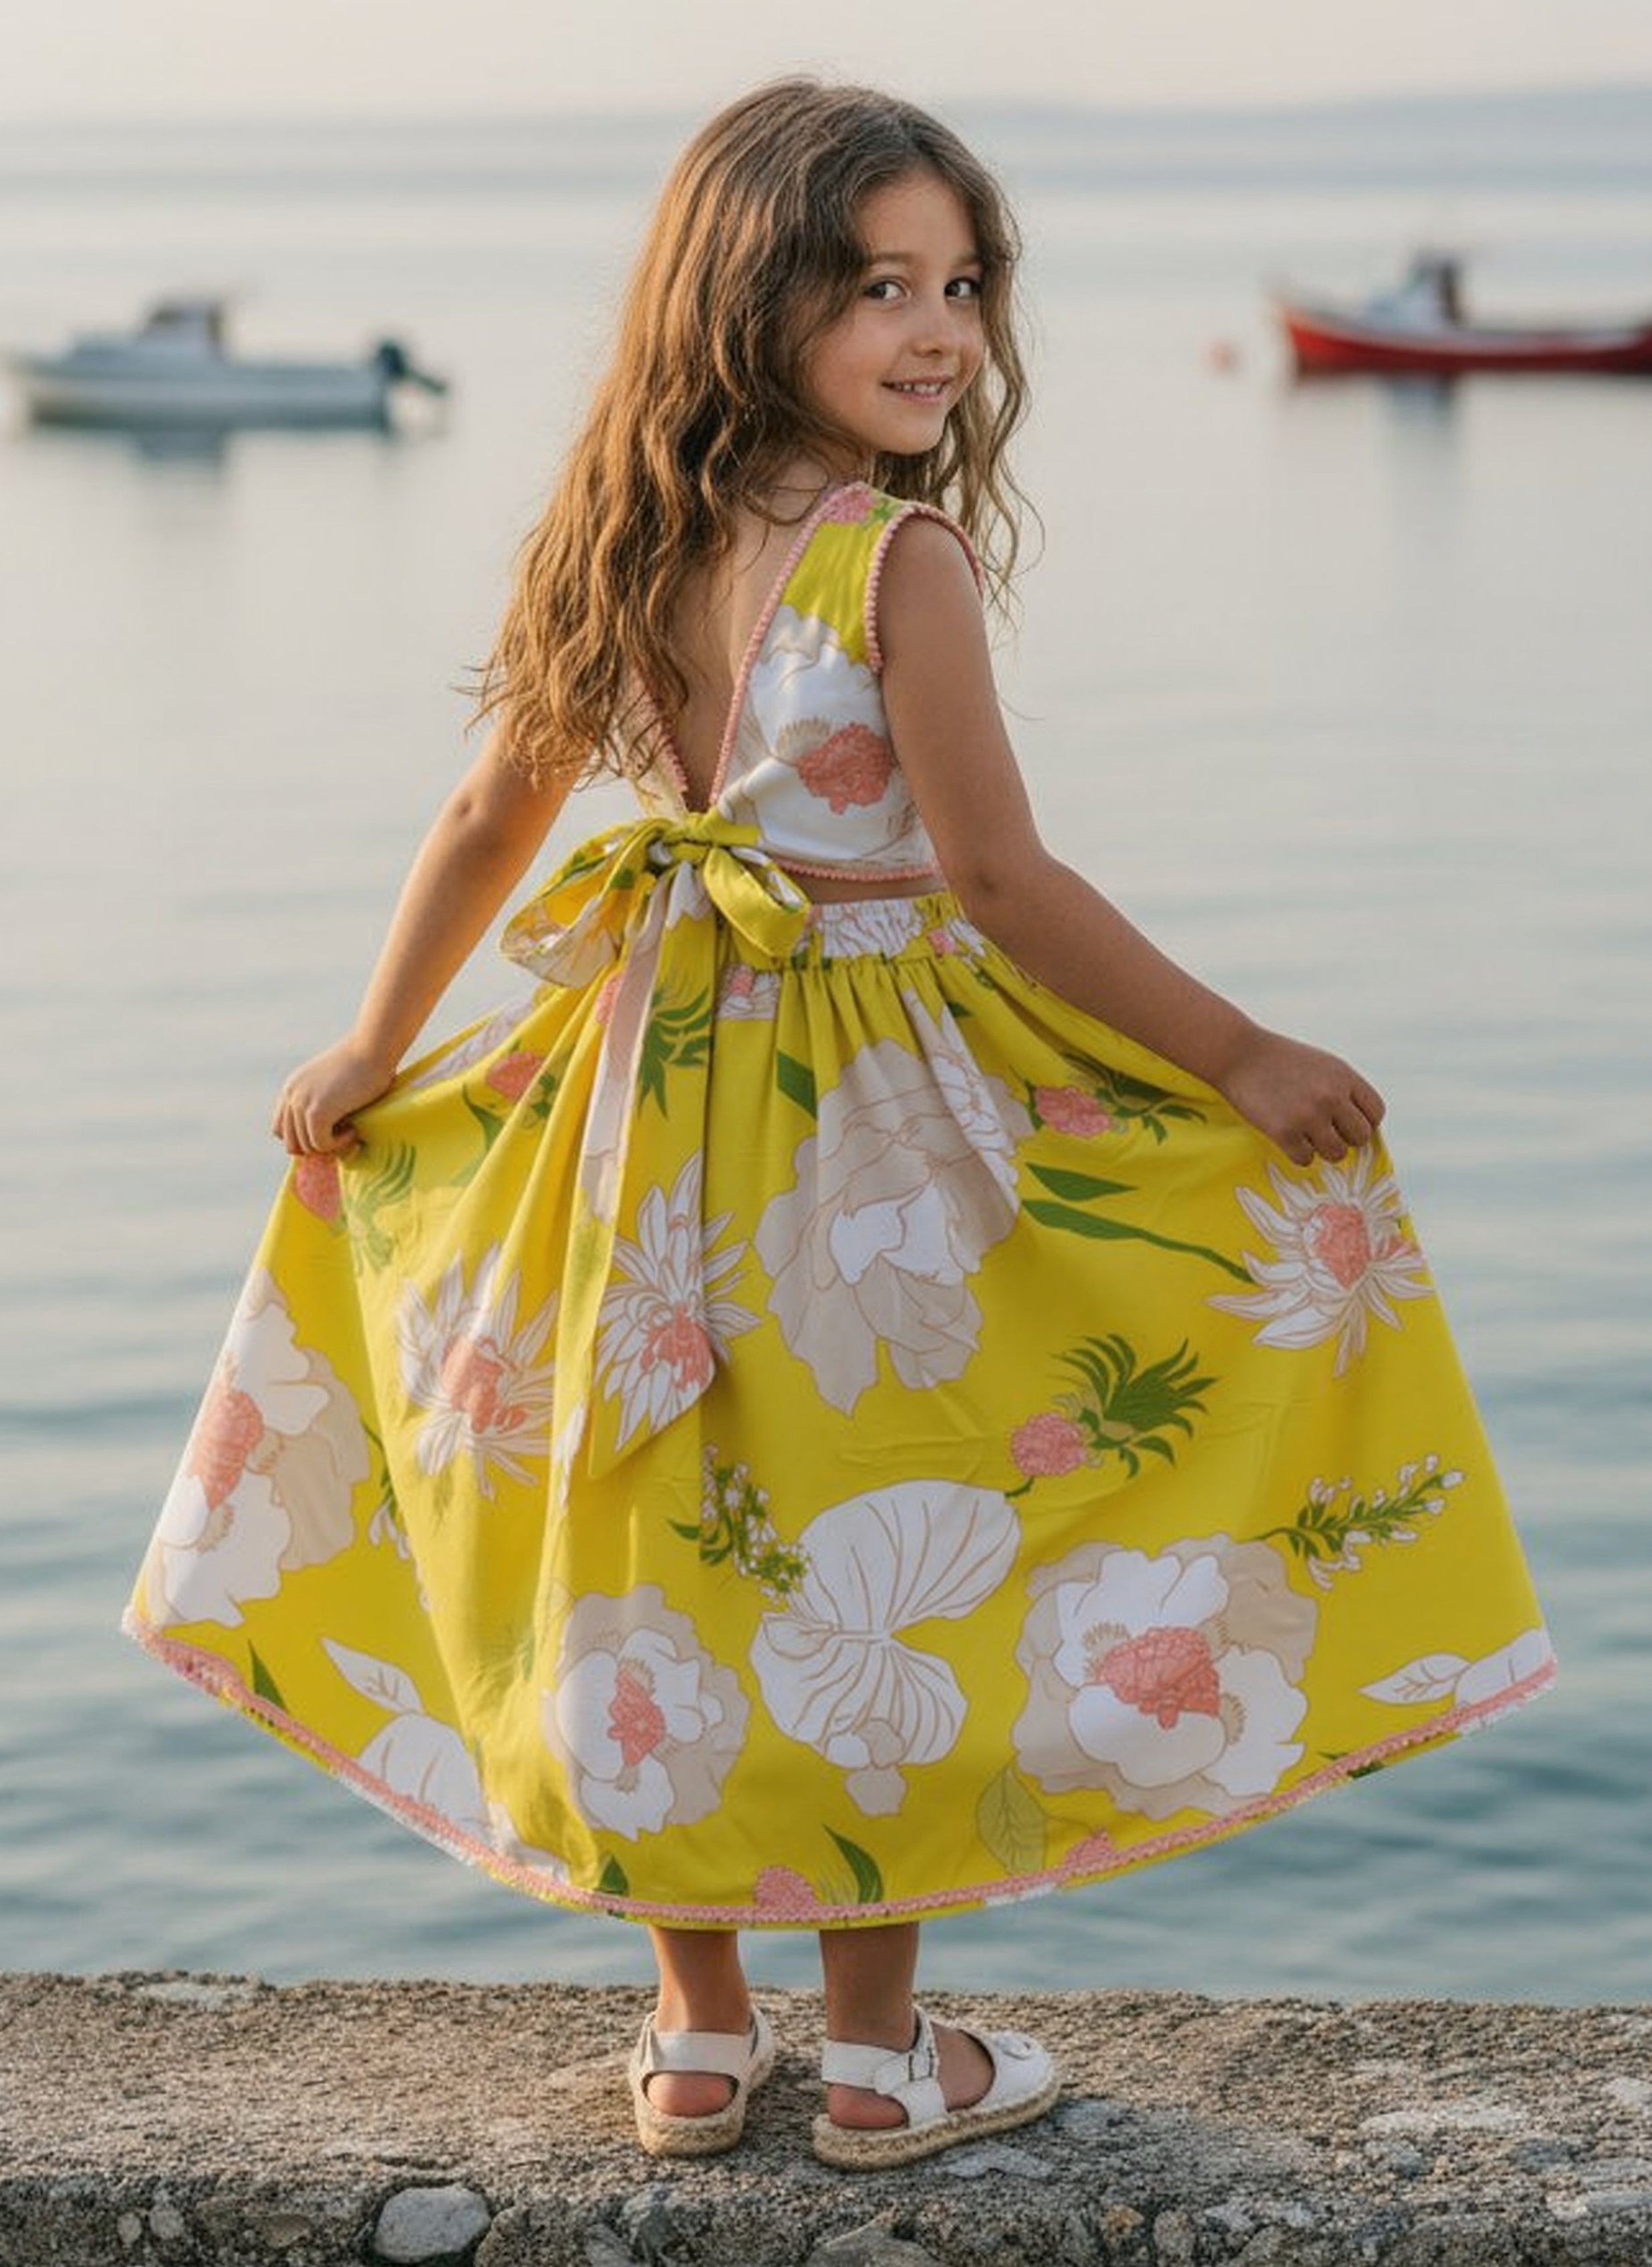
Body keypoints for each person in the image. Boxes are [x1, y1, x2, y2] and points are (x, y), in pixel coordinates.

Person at [125, 78, 1554, 2170]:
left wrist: (373, 1047)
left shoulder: (615, 535)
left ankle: (699, 2042)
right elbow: (1000, 882)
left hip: (631, 1110)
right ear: (748, 296)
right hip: (862, 1136)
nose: (941, 328)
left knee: (657, 1533)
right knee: (897, 1528)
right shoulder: (903, 559)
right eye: (880, 283)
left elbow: (484, 818)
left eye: (962, 283)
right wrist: (1241, 1055)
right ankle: (879, 2058)